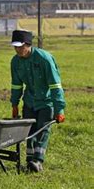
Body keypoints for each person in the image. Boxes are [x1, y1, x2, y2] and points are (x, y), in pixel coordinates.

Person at [10, 30, 66, 172]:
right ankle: (29, 160)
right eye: (15, 47)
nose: (17, 50)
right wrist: (14, 104)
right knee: (29, 130)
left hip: (46, 102)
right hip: (29, 101)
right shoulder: (15, 62)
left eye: (20, 47)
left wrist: (59, 109)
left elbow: (55, 85)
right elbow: (16, 85)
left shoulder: (44, 59)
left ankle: (38, 160)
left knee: (43, 130)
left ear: (28, 45)